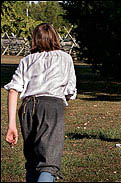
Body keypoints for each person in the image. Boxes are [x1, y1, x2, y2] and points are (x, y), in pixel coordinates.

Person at [4, 23, 77, 182]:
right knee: (48, 165)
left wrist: (11, 125)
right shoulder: (65, 58)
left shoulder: (26, 60)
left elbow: (13, 90)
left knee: (33, 162)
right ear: (55, 37)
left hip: (27, 108)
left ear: (34, 40)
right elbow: (70, 90)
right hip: (52, 106)